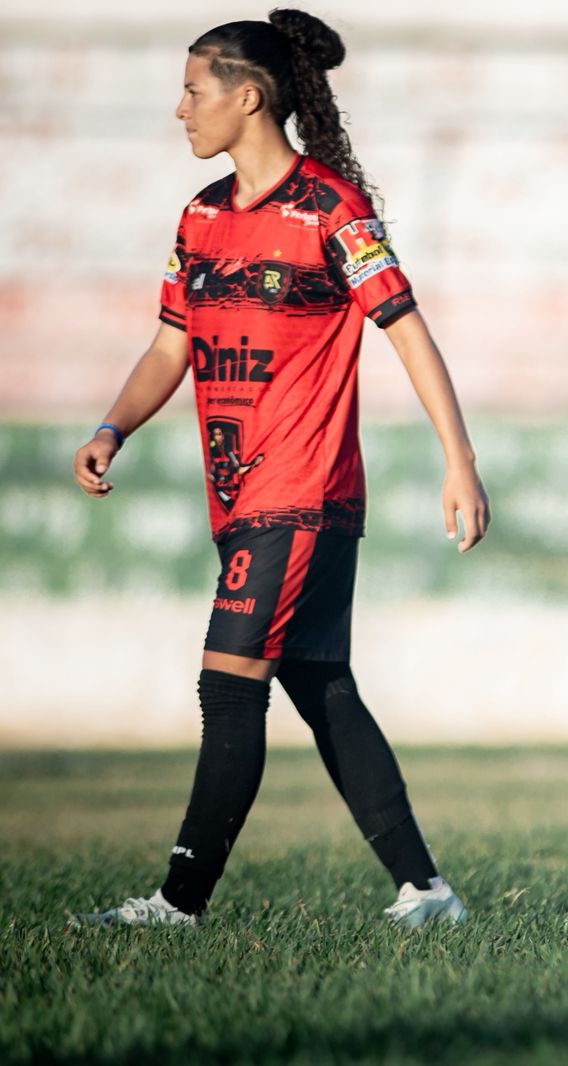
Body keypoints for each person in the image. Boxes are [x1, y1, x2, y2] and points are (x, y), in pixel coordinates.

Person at [70, 9, 490, 927]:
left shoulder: (330, 210)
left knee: (228, 684)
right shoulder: (201, 218)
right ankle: (426, 892)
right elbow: (167, 348)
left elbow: (408, 333)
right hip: (244, 497)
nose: (179, 109)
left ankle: (177, 905)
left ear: (247, 97)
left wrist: (458, 461)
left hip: (301, 493)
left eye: (192, 90)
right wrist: (114, 425)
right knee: (318, 684)